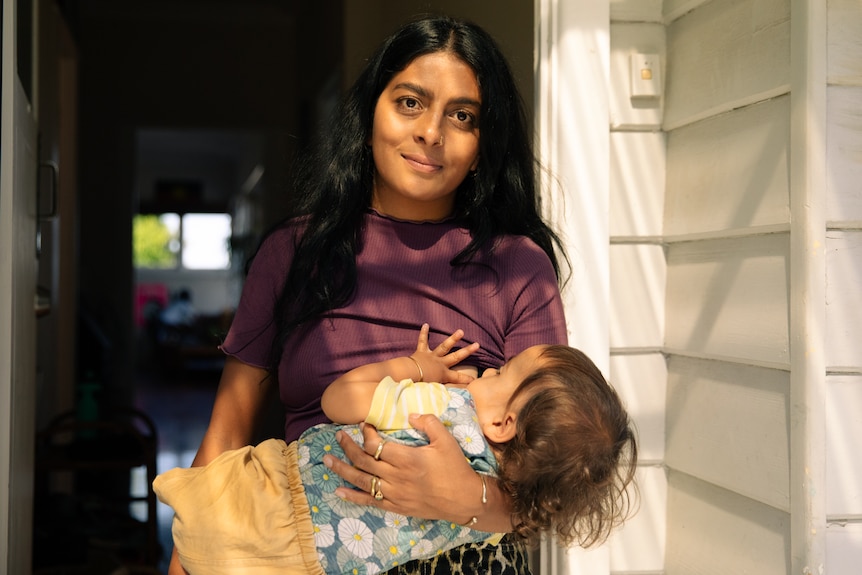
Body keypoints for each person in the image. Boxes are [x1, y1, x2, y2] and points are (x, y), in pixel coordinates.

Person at [168, 15, 570, 575]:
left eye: (462, 116)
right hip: (308, 552)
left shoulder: (518, 266)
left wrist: (465, 499)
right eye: (410, 102)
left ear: (483, 146)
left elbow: (553, 489)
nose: (432, 131)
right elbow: (228, 434)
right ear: (369, 116)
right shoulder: (292, 252)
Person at [154, 326, 638, 575]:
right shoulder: (493, 527)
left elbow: (338, 400)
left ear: (502, 422)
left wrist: (418, 368)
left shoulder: (440, 408)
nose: (488, 372)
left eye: (501, 372)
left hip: (262, 506)